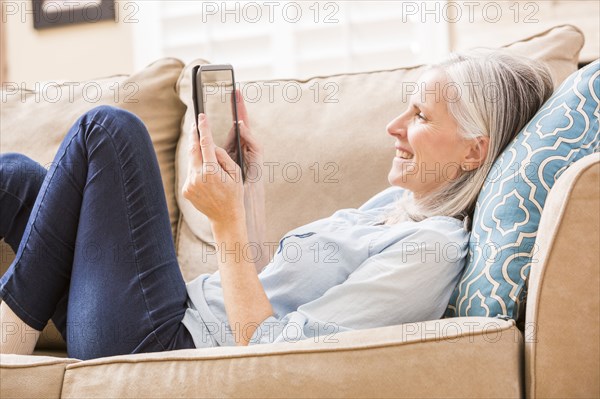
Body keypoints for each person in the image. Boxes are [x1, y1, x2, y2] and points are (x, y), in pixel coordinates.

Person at [0, 49, 553, 360]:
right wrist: (249, 189)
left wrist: (227, 227)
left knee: (109, 129)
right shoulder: (400, 203)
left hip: (164, 341)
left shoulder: (432, 251)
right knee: (17, 178)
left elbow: (272, 349)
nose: (395, 127)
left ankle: (7, 344)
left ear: (475, 150)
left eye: (421, 117)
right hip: (167, 313)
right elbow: (270, 289)